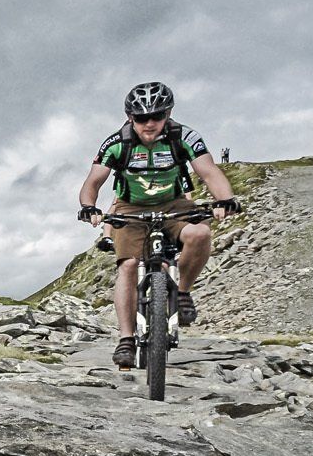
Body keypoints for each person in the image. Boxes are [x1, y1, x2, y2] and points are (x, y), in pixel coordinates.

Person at [77, 82, 241, 369]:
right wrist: (89, 206)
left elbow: (209, 171)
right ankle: (126, 339)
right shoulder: (117, 143)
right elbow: (93, 181)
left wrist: (225, 199)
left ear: (169, 114)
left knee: (200, 233)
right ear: (130, 117)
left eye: (157, 116)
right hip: (131, 207)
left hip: (175, 204)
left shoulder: (185, 137)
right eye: (141, 118)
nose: (149, 123)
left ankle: (182, 292)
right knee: (128, 265)